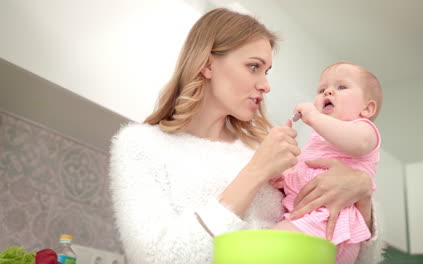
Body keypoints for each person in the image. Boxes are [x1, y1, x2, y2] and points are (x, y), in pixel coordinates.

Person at [109, 8, 384, 264]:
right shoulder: (140, 146)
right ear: (207, 65)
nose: (265, 85)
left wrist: (363, 195)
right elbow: (155, 258)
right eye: (254, 67)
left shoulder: (270, 149)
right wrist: (255, 172)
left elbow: (353, 256)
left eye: (267, 72)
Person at [271, 62, 383, 264]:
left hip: (331, 219)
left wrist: (313, 117)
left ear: (367, 108)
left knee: (267, 246)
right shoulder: (319, 138)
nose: (328, 92)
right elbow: (309, 170)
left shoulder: (363, 129)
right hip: (313, 218)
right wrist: (286, 177)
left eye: (341, 87)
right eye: (322, 89)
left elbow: (358, 143)